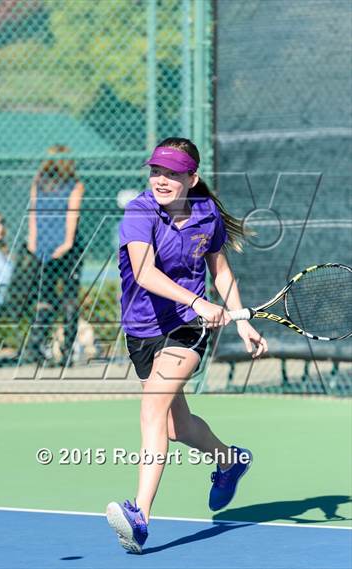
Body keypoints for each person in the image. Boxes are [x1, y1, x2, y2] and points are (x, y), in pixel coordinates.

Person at [106, 137, 268, 553]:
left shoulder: (206, 213)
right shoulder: (140, 211)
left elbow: (220, 269)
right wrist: (196, 299)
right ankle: (230, 460)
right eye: (156, 171)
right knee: (176, 426)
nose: (161, 179)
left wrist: (242, 319)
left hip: (187, 328)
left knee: (152, 409)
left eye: (173, 173)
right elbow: (143, 273)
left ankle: (140, 515)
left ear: (191, 178)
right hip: (143, 328)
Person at [27, 145, 85, 364]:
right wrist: (68, 242)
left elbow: (33, 213)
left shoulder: (38, 183)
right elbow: (73, 215)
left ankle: (37, 345)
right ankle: (65, 352)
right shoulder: (75, 185)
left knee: (46, 294)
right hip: (65, 249)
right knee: (69, 296)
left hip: (43, 247)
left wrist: (33, 242)